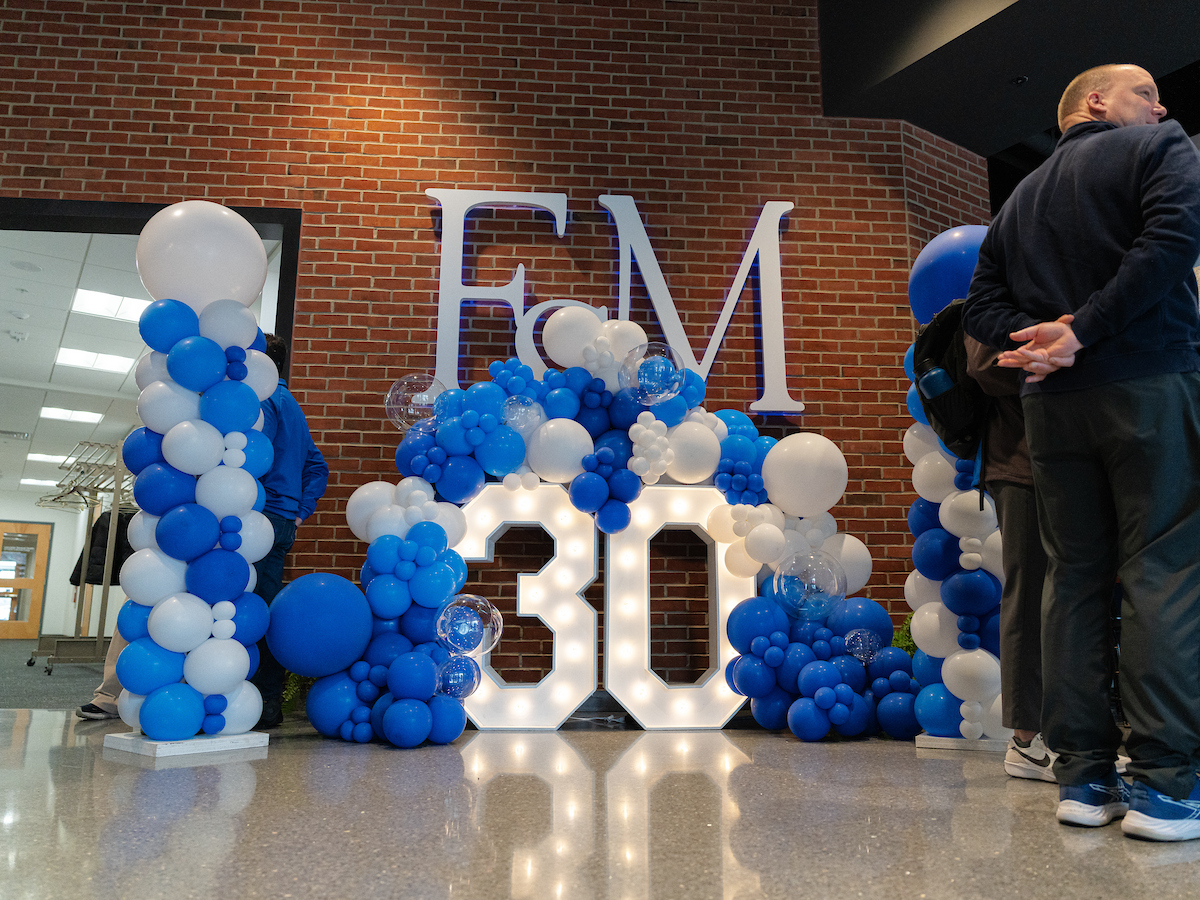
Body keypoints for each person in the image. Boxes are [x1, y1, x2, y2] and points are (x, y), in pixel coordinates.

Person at [963, 64, 1200, 841]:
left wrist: (1036, 341)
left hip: (1051, 411)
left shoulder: (1018, 201)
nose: (1160, 106)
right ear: (1096, 101)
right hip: (1147, 386)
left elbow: (983, 307)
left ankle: (1084, 780)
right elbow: (1173, 242)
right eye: (1145, 93)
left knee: (1073, 581)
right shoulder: (1159, 147)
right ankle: (1166, 788)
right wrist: (1083, 330)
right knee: (1163, 569)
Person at [963, 336, 1054, 782]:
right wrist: (1059, 357)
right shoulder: (996, 290)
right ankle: (1025, 741)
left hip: (1073, 464)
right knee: (1028, 592)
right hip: (1019, 466)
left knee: (1071, 598)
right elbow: (984, 366)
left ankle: (1073, 734)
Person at [250, 333, 328, 728]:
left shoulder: (263, 401)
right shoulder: (291, 403)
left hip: (260, 518)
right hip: (280, 521)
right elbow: (318, 466)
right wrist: (299, 512)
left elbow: (248, 462)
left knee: (255, 614)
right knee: (263, 608)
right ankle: (264, 703)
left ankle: (264, 706)